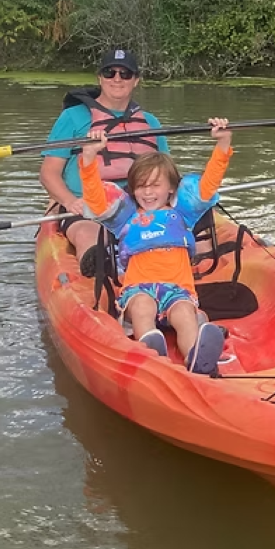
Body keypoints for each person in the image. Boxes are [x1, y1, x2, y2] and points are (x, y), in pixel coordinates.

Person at [79, 118, 234, 374]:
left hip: (178, 290)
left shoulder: (183, 213)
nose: (147, 192)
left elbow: (209, 184)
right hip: (139, 290)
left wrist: (223, 145)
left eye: (155, 186)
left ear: (171, 188)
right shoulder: (126, 218)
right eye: (141, 186)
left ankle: (196, 358)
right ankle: (151, 351)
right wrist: (89, 157)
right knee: (142, 308)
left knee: (185, 314)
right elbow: (95, 199)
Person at [38, 47, 168, 275]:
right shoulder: (73, 117)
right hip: (86, 208)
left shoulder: (150, 122)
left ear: (136, 80)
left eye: (125, 74)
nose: (117, 79)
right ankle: (98, 270)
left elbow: (168, 173)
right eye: (110, 73)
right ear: (100, 78)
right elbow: (49, 173)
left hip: (141, 205)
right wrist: (69, 202)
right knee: (89, 234)